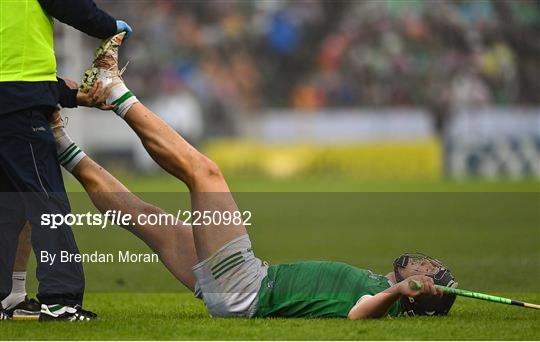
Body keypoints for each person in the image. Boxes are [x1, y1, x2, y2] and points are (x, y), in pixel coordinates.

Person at [39, 33, 458, 320]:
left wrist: (396, 295)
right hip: (244, 285)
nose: (423, 263)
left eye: (428, 271)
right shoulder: (376, 284)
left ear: (419, 295)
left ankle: (113, 90)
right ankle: (58, 140)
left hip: (248, 285)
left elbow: (357, 315)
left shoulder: (379, 302)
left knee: (204, 172)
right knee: (149, 219)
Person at [0, 0, 131, 321]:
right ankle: (60, 300)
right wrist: (110, 27)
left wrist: (69, 95)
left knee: (9, 206)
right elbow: (69, 5)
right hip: (17, 104)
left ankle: (4, 298)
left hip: (14, 96)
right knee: (48, 203)